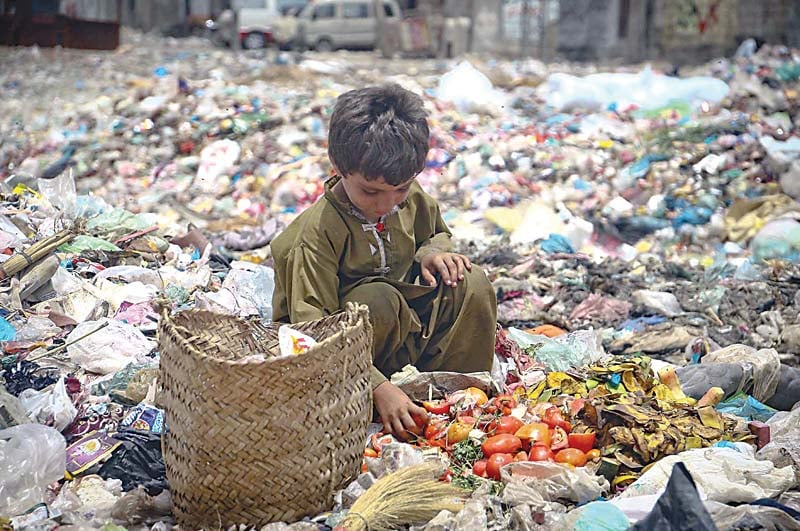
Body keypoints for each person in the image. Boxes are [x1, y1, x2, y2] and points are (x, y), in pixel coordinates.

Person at [270, 84, 497, 440]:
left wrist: (432, 253)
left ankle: (458, 402)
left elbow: (434, 233)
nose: (386, 204)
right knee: (376, 298)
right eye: (371, 192)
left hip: (404, 332)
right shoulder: (317, 233)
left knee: (471, 282)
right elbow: (311, 332)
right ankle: (382, 402)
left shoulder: (405, 195)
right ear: (339, 168)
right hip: (341, 356)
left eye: (401, 189)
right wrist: (376, 387)